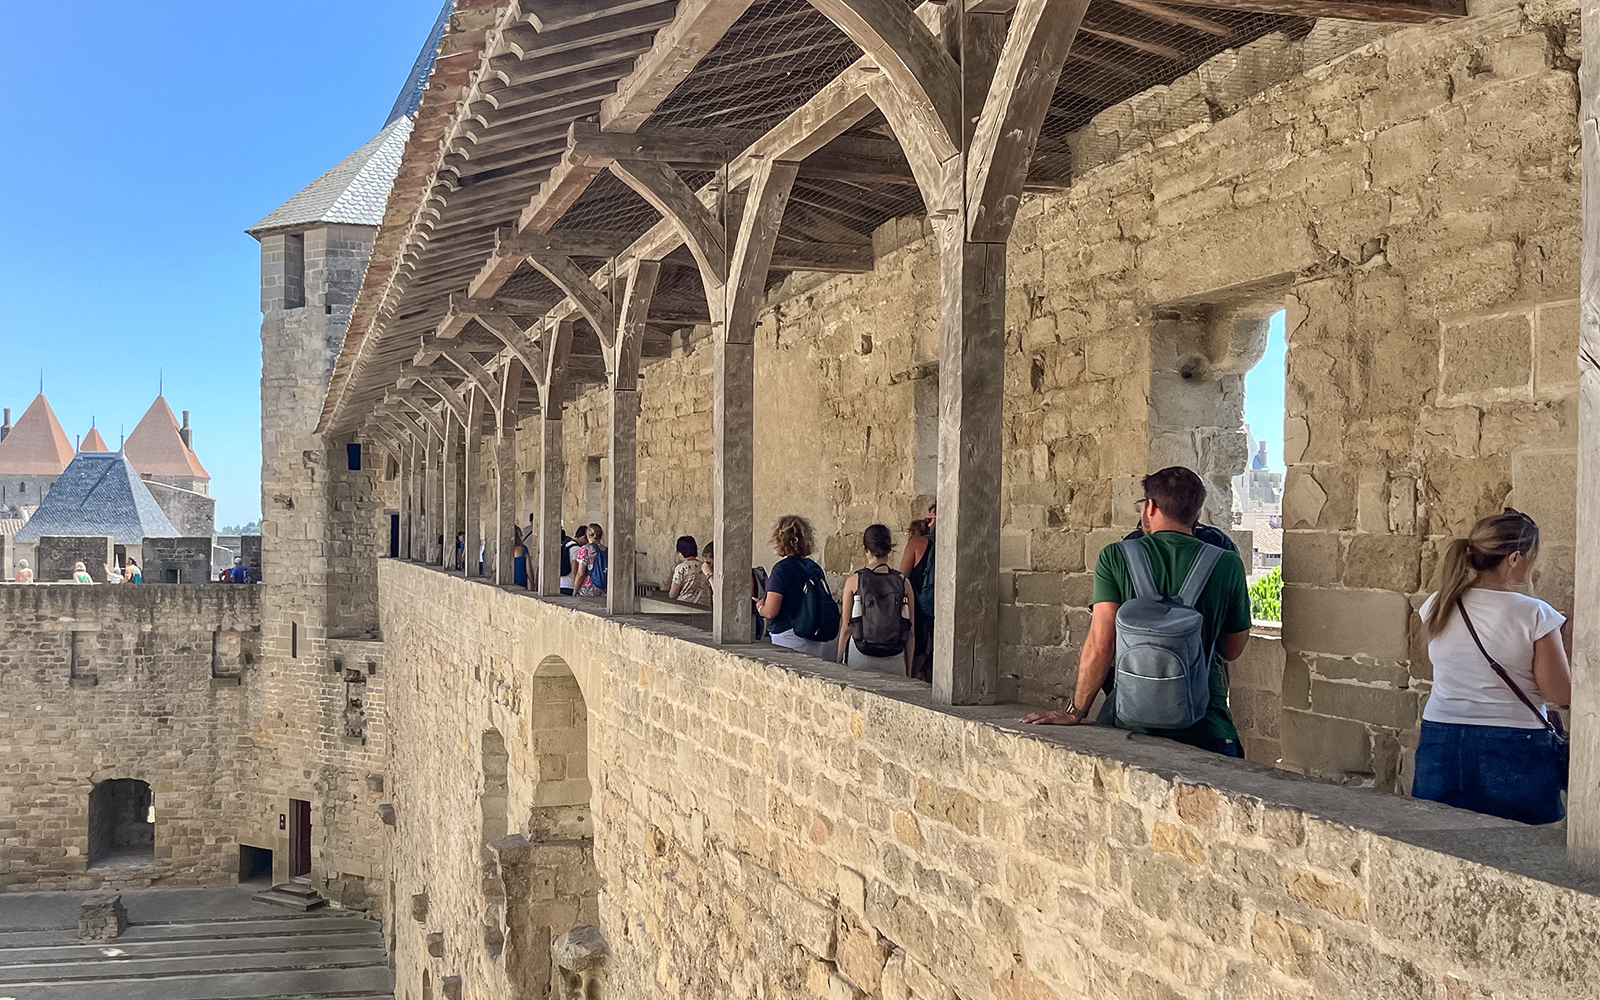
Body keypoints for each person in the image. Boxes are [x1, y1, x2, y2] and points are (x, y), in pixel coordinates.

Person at [1022, 467, 1252, 758]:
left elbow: (1101, 646)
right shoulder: (1227, 563)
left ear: (1151, 506)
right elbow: (1232, 649)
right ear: (1196, 510)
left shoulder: (1115, 557)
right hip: (1207, 727)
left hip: (1132, 722)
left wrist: (1075, 711)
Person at [1412, 509, 1571, 824]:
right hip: (1514, 744)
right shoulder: (1535, 614)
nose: (1532, 563)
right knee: (1519, 851)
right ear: (1514, 558)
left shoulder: (1438, 604)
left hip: (1441, 739)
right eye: (1531, 556)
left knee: (1439, 839)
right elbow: (1559, 694)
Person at [836, 525, 916, 674]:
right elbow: (910, 633)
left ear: (866, 549)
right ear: (889, 549)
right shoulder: (904, 583)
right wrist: (908, 670)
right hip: (894, 657)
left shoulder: (854, 581)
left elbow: (846, 628)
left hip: (860, 655)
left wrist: (839, 660)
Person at [757, 514, 836, 659]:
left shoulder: (781, 570)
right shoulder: (814, 568)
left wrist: (760, 607)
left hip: (788, 636)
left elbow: (771, 611)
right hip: (814, 634)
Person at [900, 503, 936, 682]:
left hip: (919, 611)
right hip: (946, 613)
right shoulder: (960, 543)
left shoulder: (917, 543)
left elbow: (902, 579)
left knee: (916, 660)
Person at [669, 535, 712, 606]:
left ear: (680, 553)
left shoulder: (681, 568)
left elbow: (672, 594)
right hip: (705, 606)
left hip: (685, 606)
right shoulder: (705, 566)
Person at [574, 523, 607, 597]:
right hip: (603, 589)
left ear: (588, 536)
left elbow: (580, 574)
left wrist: (574, 591)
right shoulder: (606, 550)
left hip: (587, 589)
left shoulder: (584, 549)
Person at [560, 525, 586, 596]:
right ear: (584, 537)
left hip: (561, 582)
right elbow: (575, 570)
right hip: (570, 584)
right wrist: (576, 587)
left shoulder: (567, 544)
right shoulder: (576, 549)